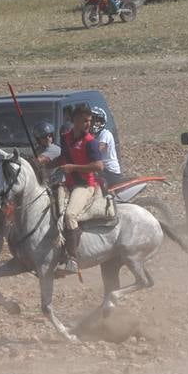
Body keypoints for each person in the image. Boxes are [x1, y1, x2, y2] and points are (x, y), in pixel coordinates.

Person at [57, 104, 103, 275]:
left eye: (89, 121)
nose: (87, 124)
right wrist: (45, 162)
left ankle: (73, 258)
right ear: (74, 120)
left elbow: (98, 166)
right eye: (84, 121)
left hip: (85, 186)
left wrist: (73, 168)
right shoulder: (65, 137)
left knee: (69, 215)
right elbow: (63, 158)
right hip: (68, 184)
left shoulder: (91, 142)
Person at [89, 107, 122, 189]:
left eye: (98, 121)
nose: (94, 123)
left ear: (102, 122)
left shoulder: (106, 134)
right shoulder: (91, 136)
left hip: (110, 171)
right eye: (92, 120)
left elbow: (99, 149)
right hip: (100, 170)